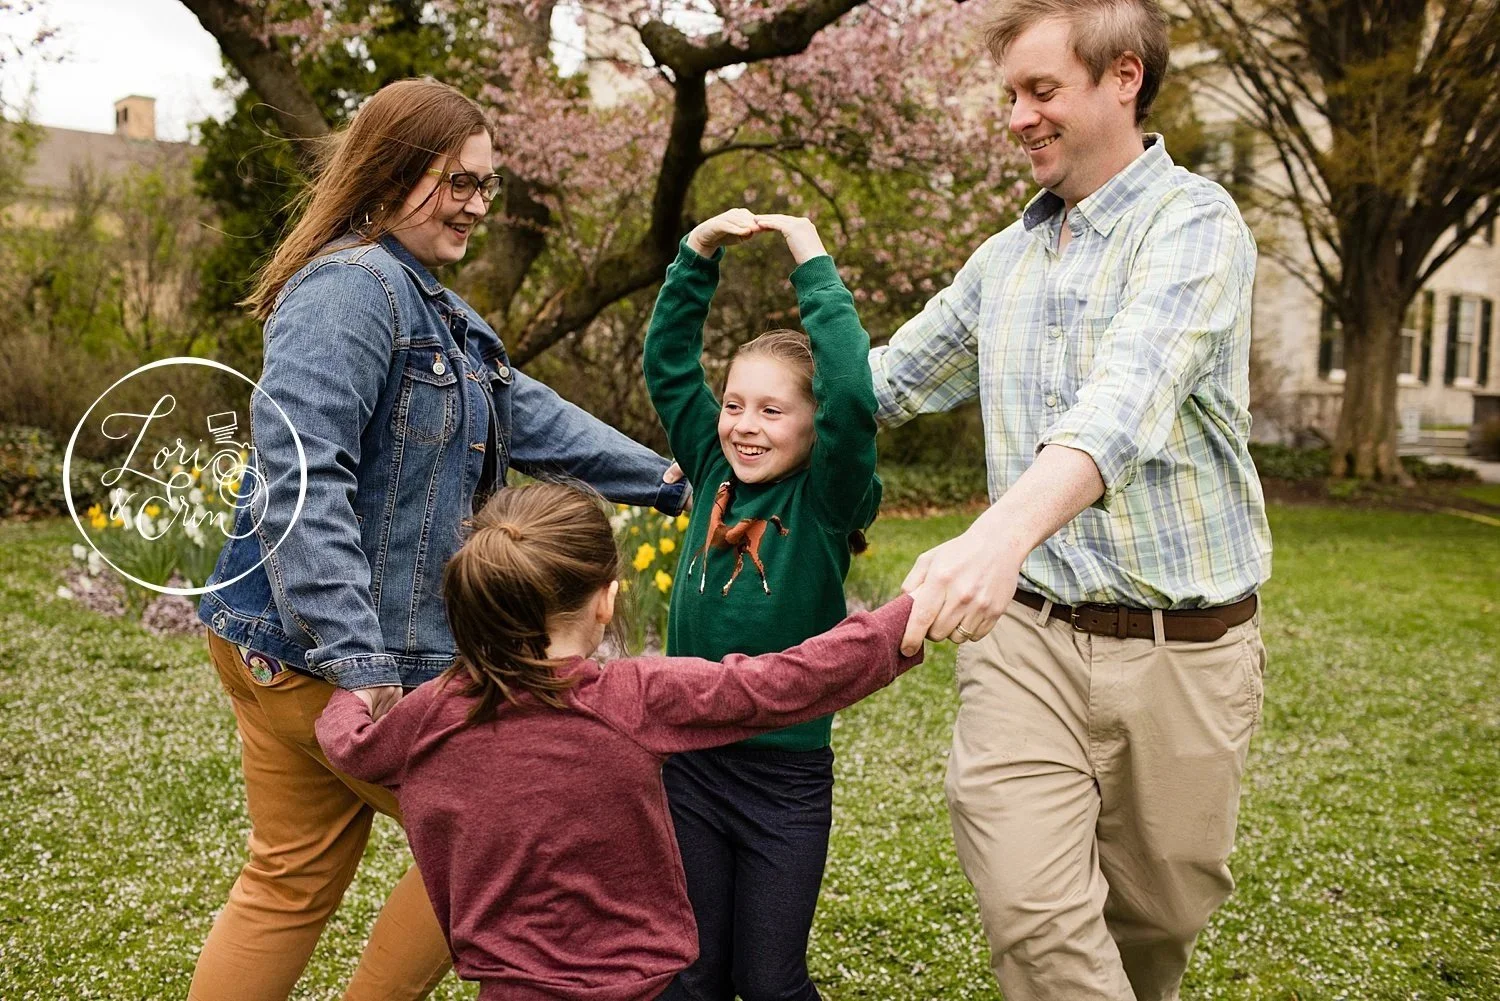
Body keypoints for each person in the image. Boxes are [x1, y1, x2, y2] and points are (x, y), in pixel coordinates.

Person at [192, 78, 687, 1001]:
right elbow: (302, 474)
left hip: (288, 647)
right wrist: (355, 657)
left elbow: (531, 415)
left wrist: (668, 482)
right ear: (390, 171)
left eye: (486, 186)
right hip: (326, 653)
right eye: (456, 181)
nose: (475, 205)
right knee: (502, 821)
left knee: (287, 879)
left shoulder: (436, 309)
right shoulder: (350, 291)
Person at [867, 2, 1273, 998]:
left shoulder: (1196, 226)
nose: (1016, 117)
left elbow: (1125, 398)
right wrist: (727, 421)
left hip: (1188, 651)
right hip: (1029, 644)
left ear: (1122, 78)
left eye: (1040, 90)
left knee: (1155, 926)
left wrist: (998, 532)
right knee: (1038, 921)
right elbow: (878, 384)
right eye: (1010, 94)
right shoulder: (1003, 260)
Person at [314, 482, 924, 1001]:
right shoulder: (630, 698)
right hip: (641, 987)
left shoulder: (433, 713)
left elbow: (352, 746)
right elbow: (782, 684)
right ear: (606, 600)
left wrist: (358, 691)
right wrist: (907, 618)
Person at [642, 209, 880, 1001]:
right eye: (735, 403)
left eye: (772, 411)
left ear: (815, 427)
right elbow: (670, 361)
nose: (745, 425)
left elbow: (851, 393)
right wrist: (696, 253)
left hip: (785, 780)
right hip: (691, 764)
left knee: (771, 983)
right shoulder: (710, 464)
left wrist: (811, 259)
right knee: (694, 973)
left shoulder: (824, 500)